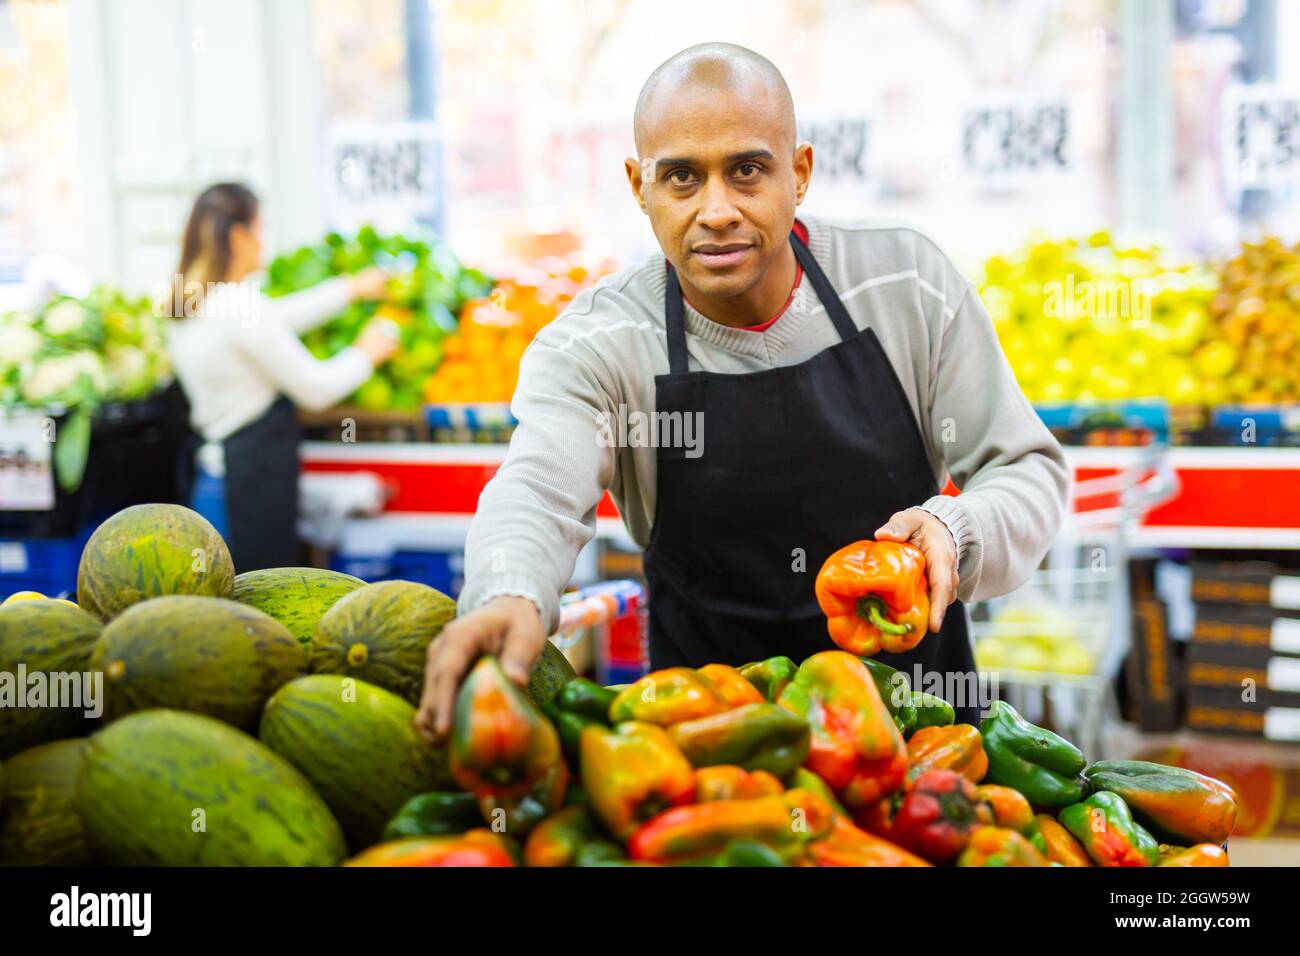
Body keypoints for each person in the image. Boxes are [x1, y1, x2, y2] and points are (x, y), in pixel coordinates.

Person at [415, 43, 1068, 739]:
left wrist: (955, 528)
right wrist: (506, 592)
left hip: (920, 743)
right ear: (640, 187)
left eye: (748, 171)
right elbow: (536, 492)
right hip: (710, 760)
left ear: (801, 172)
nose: (717, 209)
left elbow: (1025, 469)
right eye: (682, 178)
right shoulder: (596, 345)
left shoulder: (906, 283)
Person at [165, 183, 398, 571]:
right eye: (260, 229)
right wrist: (366, 353)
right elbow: (316, 389)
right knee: (260, 604)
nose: (262, 241)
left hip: (217, 479)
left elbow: (275, 319)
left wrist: (350, 290)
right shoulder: (238, 304)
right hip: (246, 487)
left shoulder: (192, 301)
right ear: (239, 236)